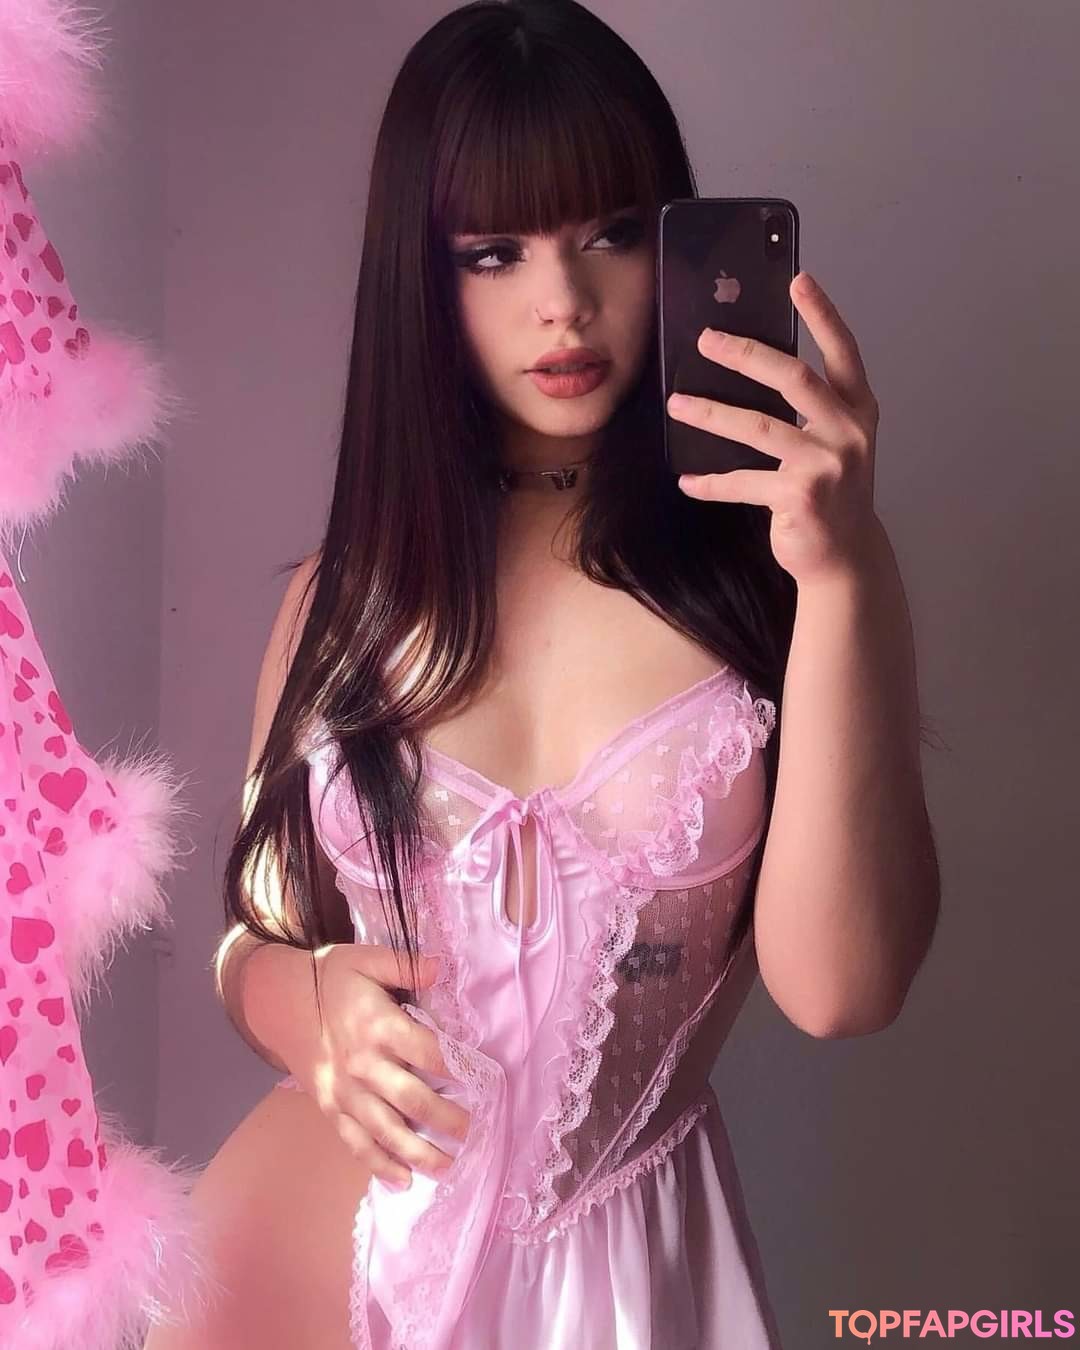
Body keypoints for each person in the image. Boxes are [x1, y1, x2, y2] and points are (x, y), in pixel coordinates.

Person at [145, 2, 939, 1347]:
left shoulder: (786, 581)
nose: (562, 300)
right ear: (423, 277)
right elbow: (252, 932)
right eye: (494, 251)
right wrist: (309, 1004)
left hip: (615, 1291)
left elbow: (841, 989)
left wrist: (845, 574)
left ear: (673, 243)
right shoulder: (340, 600)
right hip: (297, 1274)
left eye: (609, 233)